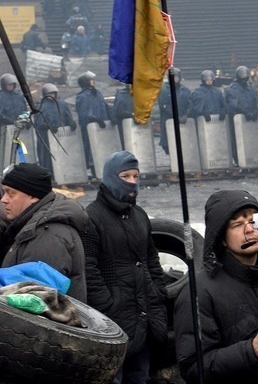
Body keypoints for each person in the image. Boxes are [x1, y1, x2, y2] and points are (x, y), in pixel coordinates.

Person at [173, 189, 258, 383]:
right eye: (237, 224)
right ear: (221, 238)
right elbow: (194, 369)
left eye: (254, 221)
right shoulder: (198, 293)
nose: (249, 229)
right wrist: (250, 351)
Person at [82, 151, 169, 383]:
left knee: (140, 376)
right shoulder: (92, 217)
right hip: (112, 318)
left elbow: (152, 259)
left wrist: (158, 292)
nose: (132, 182)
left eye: (136, 176)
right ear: (111, 177)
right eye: (125, 176)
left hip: (144, 314)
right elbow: (89, 269)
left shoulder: (139, 215)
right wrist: (107, 304)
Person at [0, 163, 88, 301]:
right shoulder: (32, 228)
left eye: (11, 193)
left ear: (34, 196)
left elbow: (37, 302)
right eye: (4, 192)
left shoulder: (47, 235)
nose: (4, 200)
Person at [33, 83, 77, 173]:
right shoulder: (41, 106)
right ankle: (49, 174)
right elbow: (38, 122)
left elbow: (67, 116)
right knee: (48, 157)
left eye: (53, 93)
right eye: (49, 94)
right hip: (47, 136)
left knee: (63, 155)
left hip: (61, 135)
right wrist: (48, 126)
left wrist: (72, 123)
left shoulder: (62, 104)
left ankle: (64, 174)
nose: (52, 95)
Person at [75, 71, 112, 171]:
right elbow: (83, 114)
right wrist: (93, 118)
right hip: (90, 128)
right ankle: (94, 170)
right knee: (92, 150)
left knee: (104, 149)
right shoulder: (82, 96)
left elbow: (105, 106)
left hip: (102, 126)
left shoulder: (98, 93)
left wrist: (111, 116)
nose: (93, 81)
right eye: (90, 80)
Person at [225, 66, 258, 166]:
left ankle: (252, 158)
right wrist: (244, 112)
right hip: (237, 118)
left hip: (250, 117)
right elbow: (233, 104)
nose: (244, 79)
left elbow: (256, 100)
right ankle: (237, 159)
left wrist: (255, 111)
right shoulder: (232, 88)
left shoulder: (250, 87)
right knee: (236, 140)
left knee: (251, 139)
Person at [157, 68, 192, 155]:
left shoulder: (185, 90)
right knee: (168, 143)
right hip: (169, 119)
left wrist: (186, 115)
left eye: (177, 77)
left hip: (182, 118)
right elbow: (164, 106)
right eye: (174, 77)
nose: (175, 79)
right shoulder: (164, 90)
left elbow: (190, 103)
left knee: (183, 142)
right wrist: (175, 116)